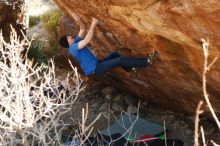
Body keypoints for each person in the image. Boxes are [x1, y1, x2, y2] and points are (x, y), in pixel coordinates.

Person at [59, 13, 158, 77]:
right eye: (68, 37)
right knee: (120, 60)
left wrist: (78, 19)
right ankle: (147, 61)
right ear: (68, 43)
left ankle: (131, 69)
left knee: (115, 55)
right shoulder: (73, 49)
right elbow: (86, 41)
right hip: (96, 69)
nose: (70, 37)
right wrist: (93, 25)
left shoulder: (75, 42)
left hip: (98, 63)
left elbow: (82, 29)